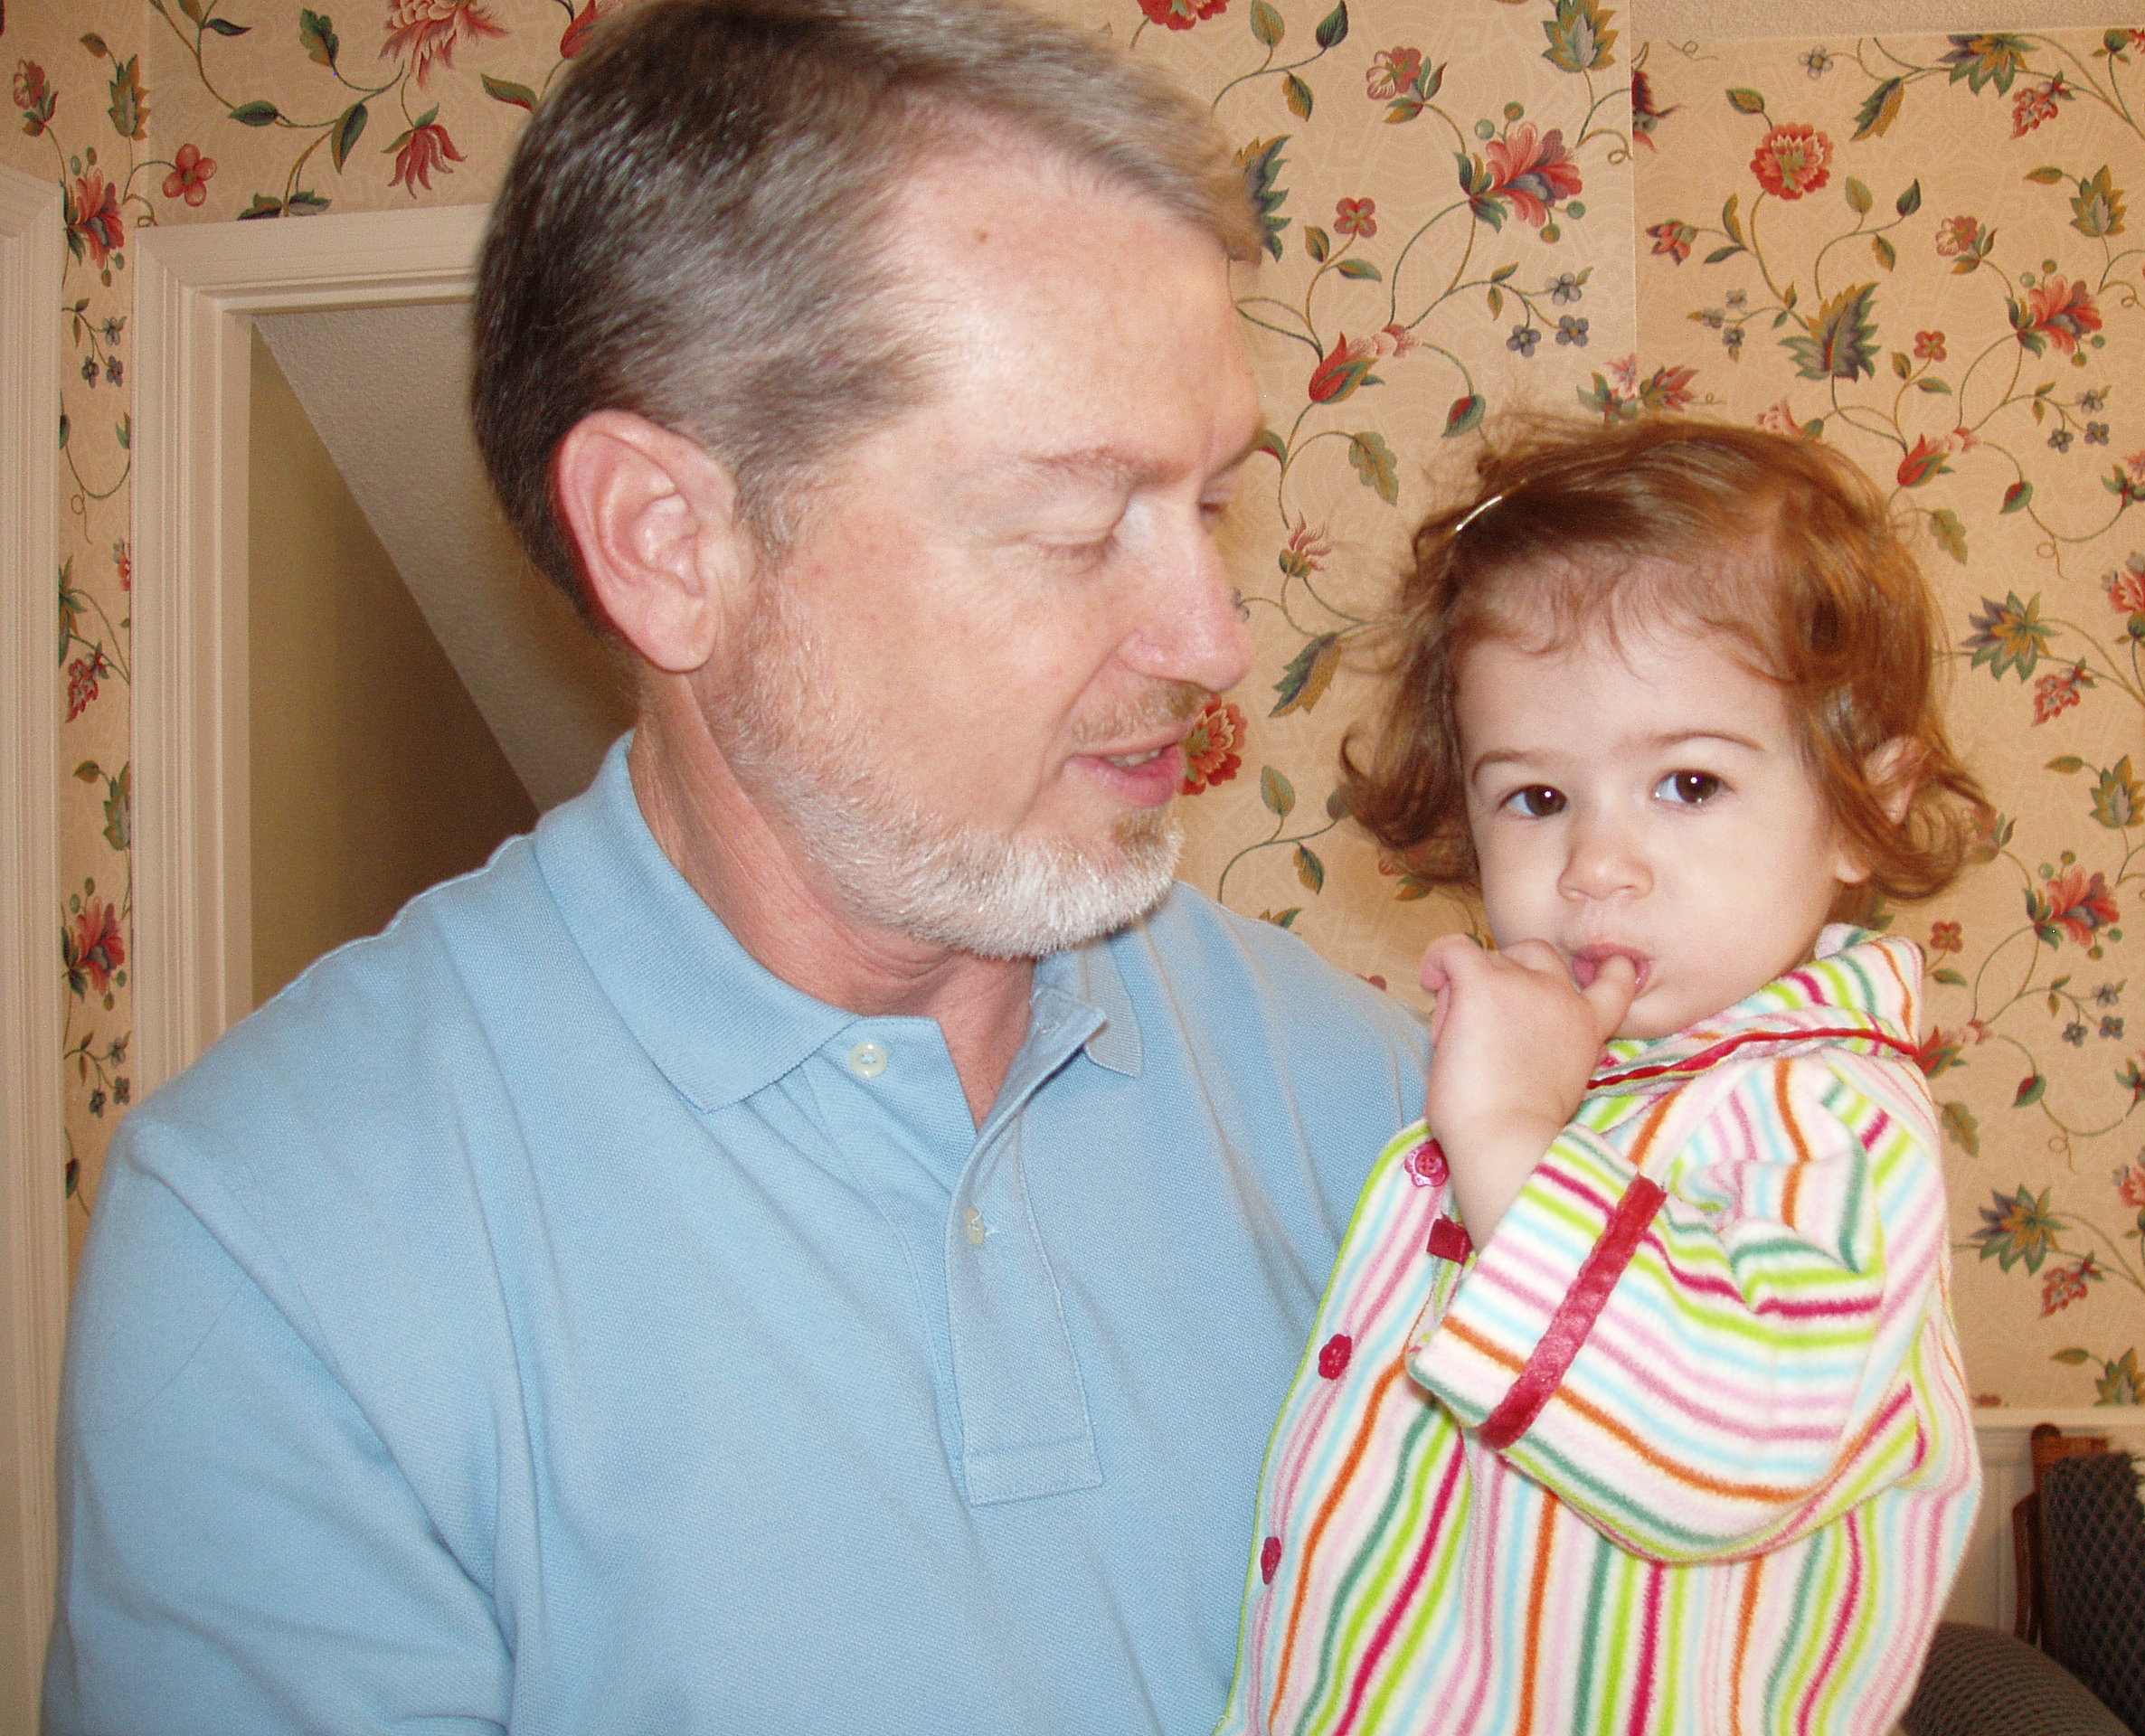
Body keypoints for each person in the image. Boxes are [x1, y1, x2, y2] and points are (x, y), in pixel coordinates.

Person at [44, 3, 1428, 1731]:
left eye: (1211, 504)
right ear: (667, 544)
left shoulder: (1376, 1100)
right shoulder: (279, 1247)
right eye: (1078, 526)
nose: (1215, 638)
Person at [1214, 418, 1986, 1735]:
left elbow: (1729, 1435)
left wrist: (1510, 1134)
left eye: (1687, 782)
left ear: (1869, 804)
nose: (1596, 868)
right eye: (1536, 799)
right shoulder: (1606, 1084)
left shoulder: (1827, 1115)